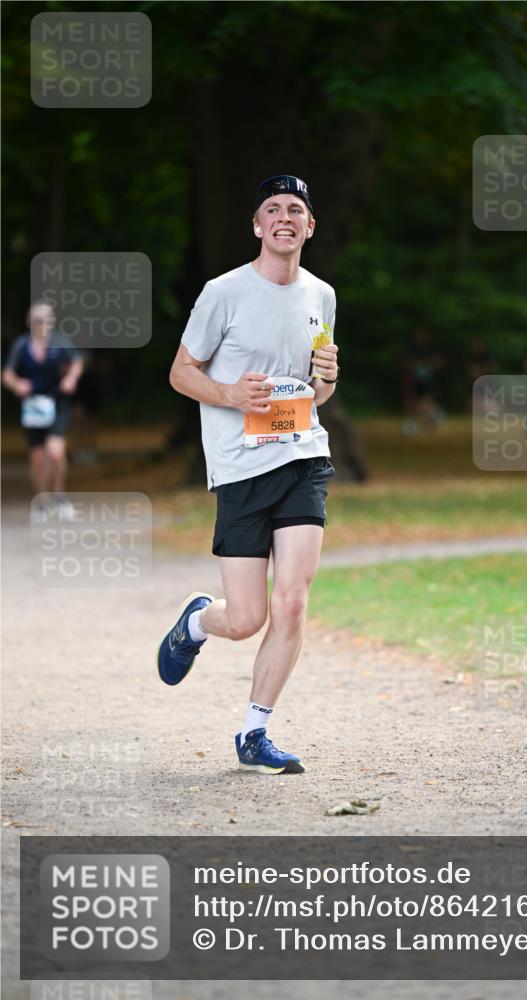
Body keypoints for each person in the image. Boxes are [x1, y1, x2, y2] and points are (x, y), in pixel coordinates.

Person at [157, 174, 339, 775]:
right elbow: (182, 374)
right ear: (257, 226)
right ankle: (195, 621)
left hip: (303, 458)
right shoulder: (223, 292)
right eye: (272, 209)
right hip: (239, 469)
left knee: (290, 604)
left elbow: (316, 391)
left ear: (309, 227)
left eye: (296, 210)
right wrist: (232, 394)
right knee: (246, 619)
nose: (285, 217)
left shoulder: (322, 295)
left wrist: (328, 380)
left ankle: (254, 732)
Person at [2, 300, 83, 521]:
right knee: (37, 459)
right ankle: (42, 502)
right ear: (30, 322)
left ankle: (60, 497)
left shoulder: (59, 342)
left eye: (47, 320)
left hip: (57, 403)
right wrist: (17, 384)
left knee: (55, 452)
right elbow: (7, 374)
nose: (43, 324)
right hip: (32, 407)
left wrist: (70, 378)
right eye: (38, 320)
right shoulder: (21, 345)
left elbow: (77, 362)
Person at [401, 326, 445, 434]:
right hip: (415, 378)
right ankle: (434, 417)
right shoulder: (413, 348)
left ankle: (431, 418)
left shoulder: (429, 349)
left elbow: (440, 362)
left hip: (426, 379)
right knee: (418, 401)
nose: (420, 337)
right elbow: (407, 363)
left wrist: (431, 366)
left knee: (421, 401)